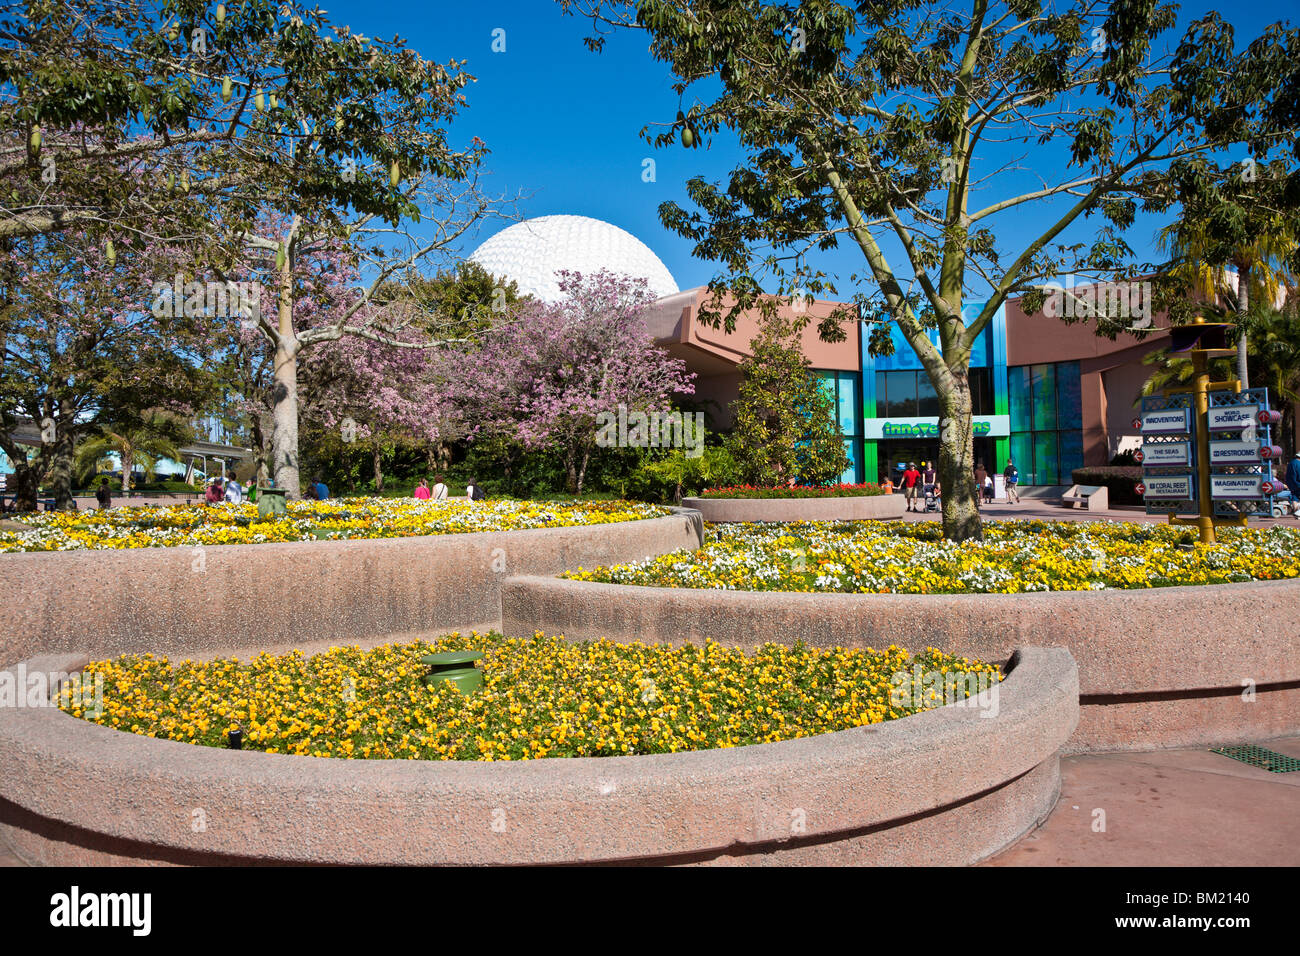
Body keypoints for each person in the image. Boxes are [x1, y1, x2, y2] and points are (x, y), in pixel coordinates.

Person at [1286, 453, 1300, 519]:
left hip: (1291, 484)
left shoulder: (1291, 463)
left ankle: (1296, 513)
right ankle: (1298, 513)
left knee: (1295, 498)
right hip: (1298, 483)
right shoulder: (1298, 464)